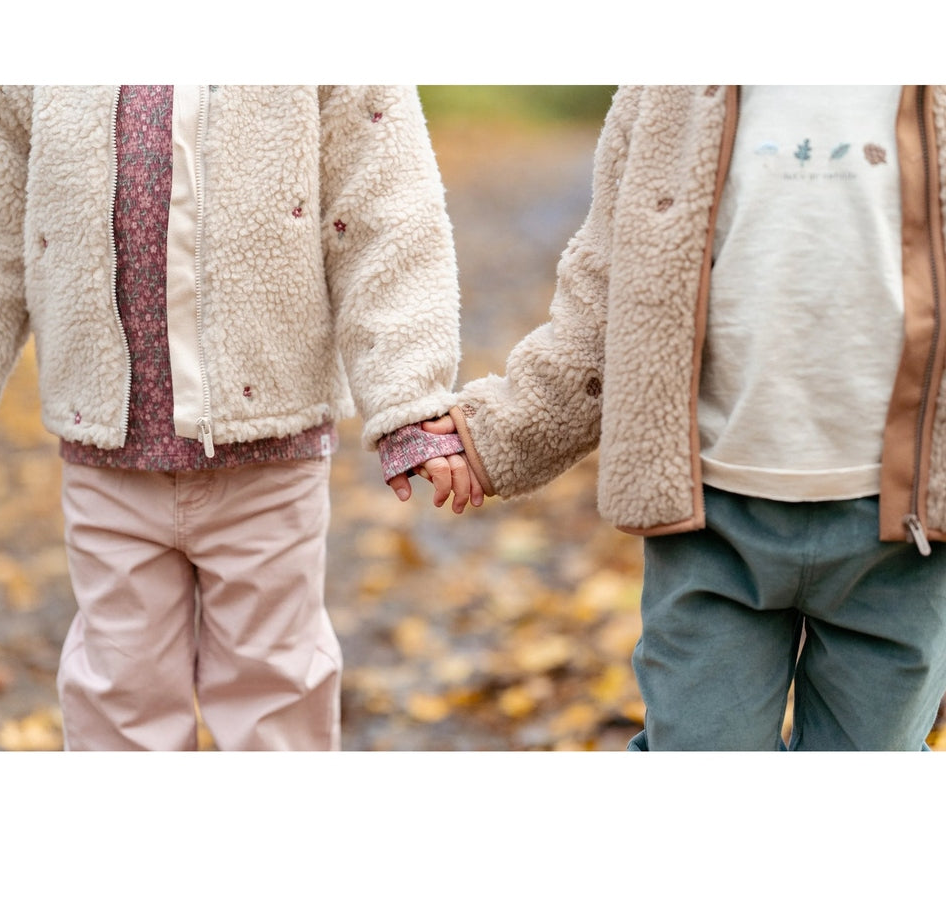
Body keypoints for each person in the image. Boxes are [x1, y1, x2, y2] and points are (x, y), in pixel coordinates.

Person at [398, 85, 946, 751]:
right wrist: (496, 429)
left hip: (903, 534)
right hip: (712, 520)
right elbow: (603, 292)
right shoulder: (669, 94)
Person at [0, 85, 478, 751]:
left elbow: (383, 211)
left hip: (269, 457)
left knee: (275, 694)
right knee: (118, 698)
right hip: (109, 461)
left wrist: (409, 403)